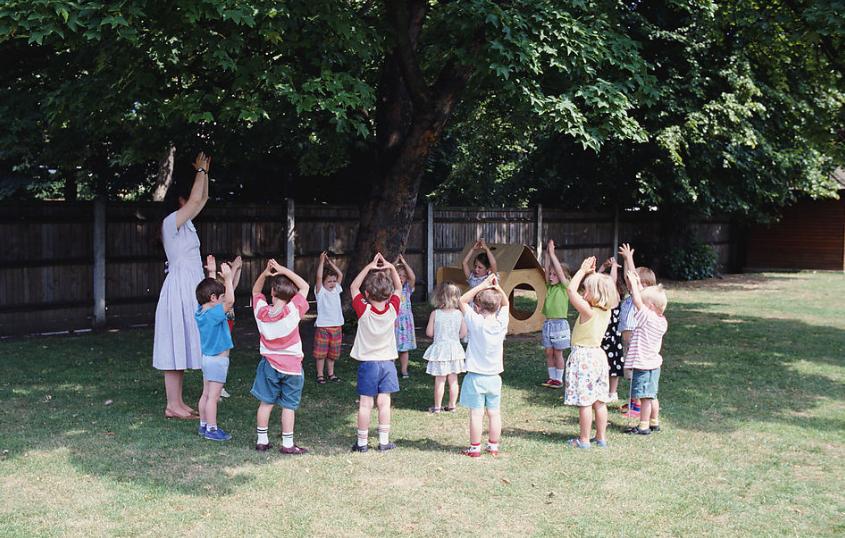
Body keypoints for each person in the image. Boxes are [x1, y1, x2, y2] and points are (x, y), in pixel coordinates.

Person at [152, 152, 211, 420]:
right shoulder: (170, 224)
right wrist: (199, 171)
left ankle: (177, 403)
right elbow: (197, 199)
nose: (194, 206)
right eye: (188, 202)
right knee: (175, 343)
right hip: (178, 290)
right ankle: (171, 405)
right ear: (179, 201)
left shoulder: (187, 226)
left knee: (184, 343)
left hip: (191, 289)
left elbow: (203, 199)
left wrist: (205, 173)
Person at [250, 259, 310, 455]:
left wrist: (266, 273)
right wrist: (283, 270)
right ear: (291, 295)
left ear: (273, 293)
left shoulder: (262, 313)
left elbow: (256, 292)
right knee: (288, 406)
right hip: (292, 367)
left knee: (266, 403)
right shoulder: (293, 311)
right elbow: (305, 286)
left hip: (268, 365)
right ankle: (287, 443)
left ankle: (262, 440)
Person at [564, 256, 619, 449]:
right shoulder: (607, 310)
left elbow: (570, 290)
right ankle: (601, 437)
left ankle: (584, 439)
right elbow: (602, 287)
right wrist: (593, 273)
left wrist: (581, 270)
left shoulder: (587, 311)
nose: (583, 292)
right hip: (599, 357)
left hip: (584, 358)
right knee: (599, 401)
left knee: (585, 402)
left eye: (586, 290)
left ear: (593, 294)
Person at [349, 253, 403, 453]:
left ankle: (362, 443)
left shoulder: (363, 309)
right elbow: (399, 287)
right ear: (388, 296)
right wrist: (390, 267)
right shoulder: (392, 309)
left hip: (368, 364)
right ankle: (383, 441)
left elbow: (353, 287)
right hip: (387, 364)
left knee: (365, 404)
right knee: (384, 402)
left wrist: (370, 267)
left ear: (367, 294)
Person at [458, 273, 509, 457]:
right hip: (494, 377)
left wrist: (483, 285)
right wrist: (496, 287)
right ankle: (493, 446)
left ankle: (475, 448)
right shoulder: (501, 322)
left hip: (476, 377)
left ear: (478, 307)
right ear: (496, 307)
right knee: (494, 413)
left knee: (476, 414)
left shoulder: (476, 321)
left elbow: (462, 300)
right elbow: (506, 304)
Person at [623, 270, 669, 435]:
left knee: (644, 397)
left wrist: (635, 284)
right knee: (652, 395)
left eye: (644, 303)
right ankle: (654, 422)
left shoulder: (648, 318)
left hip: (643, 364)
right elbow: (641, 301)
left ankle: (643, 426)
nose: (639, 304)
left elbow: (636, 301)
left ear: (650, 307)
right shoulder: (661, 321)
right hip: (654, 364)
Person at [194, 262, 235, 441]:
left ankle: (203, 425)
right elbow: (231, 301)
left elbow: (208, 290)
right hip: (218, 361)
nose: (223, 300)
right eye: (221, 297)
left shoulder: (201, 312)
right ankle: (212, 429)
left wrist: (210, 272)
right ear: (213, 298)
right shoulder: (213, 314)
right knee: (213, 397)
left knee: (205, 394)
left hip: (207, 360)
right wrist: (228, 279)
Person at [617, 243, 657, 418]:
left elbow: (632, 277)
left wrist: (630, 259)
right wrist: (626, 259)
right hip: (627, 342)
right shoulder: (631, 296)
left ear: (645, 284)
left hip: (635, 342)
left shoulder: (641, 297)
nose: (630, 282)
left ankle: (638, 405)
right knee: (630, 373)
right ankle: (635, 402)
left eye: (635, 281)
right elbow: (629, 276)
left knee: (635, 373)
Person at [423, 282, 467, 413]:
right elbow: (463, 333)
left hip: (440, 350)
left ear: (440, 297)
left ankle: (437, 407)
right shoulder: (459, 314)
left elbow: (429, 333)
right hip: (455, 350)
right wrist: (454, 338)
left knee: (440, 380)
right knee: (453, 380)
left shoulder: (435, 313)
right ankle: (452, 405)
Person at [204, 254, 243, 399]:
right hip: (220, 329)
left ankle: (219, 387)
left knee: (224, 358)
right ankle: (214, 389)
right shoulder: (220, 296)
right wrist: (232, 270)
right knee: (219, 358)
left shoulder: (227, 290)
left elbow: (233, 284)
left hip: (227, 328)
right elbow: (229, 284)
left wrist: (237, 268)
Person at [540, 240, 571, 388]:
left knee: (558, 353)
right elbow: (546, 269)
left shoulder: (565, 287)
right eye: (550, 274)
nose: (551, 276)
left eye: (554, 274)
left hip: (559, 325)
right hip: (548, 324)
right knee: (549, 352)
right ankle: (552, 378)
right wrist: (547, 254)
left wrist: (553, 254)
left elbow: (559, 271)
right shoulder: (550, 287)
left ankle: (559, 379)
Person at [313, 251, 344, 384]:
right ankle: (320, 375)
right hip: (323, 328)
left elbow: (340, 274)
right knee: (321, 354)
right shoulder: (321, 292)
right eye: (329, 281)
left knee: (332, 354)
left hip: (337, 327)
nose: (332, 283)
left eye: (334, 281)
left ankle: (331, 374)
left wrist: (330, 263)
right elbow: (319, 277)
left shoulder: (337, 289)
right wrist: (321, 262)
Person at [597, 257, 624, 401]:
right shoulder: (600, 300)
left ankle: (613, 393)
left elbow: (611, 285)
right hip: (601, 337)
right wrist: (602, 268)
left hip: (613, 337)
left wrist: (613, 267)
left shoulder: (615, 298)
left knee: (614, 365)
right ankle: (602, 389)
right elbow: (594, 282)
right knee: (601, 365)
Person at [394, 254, 417, 378]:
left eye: (403, 276)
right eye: (398, 275)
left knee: (404, 349)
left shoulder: (407, 289)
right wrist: (394, 264)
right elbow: (387, 274)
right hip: (393, 323)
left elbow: (413, 277)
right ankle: (391, 370)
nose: (401, 278)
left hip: (405, 323)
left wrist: (404, 262)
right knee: (392, 348)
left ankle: (404, 370)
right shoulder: (390, 289)